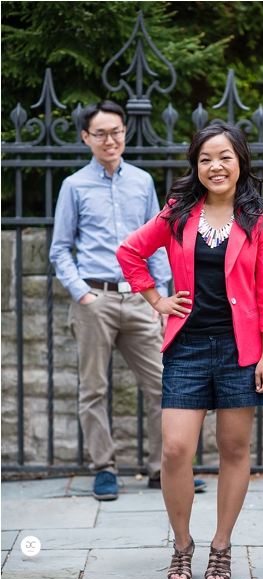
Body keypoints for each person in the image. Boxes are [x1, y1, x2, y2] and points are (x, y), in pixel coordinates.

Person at [116, 122, 263, 579]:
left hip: (240, 350)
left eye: (225, 157)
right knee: (175, 451)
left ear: (240, 162)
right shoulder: (178, 213)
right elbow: (130, 252)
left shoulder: (259, 221)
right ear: (196, 165)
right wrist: (156, 300)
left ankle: (222, 548)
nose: (216, 166)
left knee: (233, 449)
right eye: (206, 158)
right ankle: (182, 545)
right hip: (187, 347)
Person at [49, 99, 206, 501]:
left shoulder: (141, 182)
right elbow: (60, 249)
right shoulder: (74, 186)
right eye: (100, 133)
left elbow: (158, 242)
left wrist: (161, 299)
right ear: (86, 137)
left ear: (125, 133)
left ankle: (163, 467)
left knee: (162, 385)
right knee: (94, 389)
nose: (109, 139)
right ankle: (104, 468)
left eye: (115, 131)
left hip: (140, 301)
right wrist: (81, 292)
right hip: (94, 299)